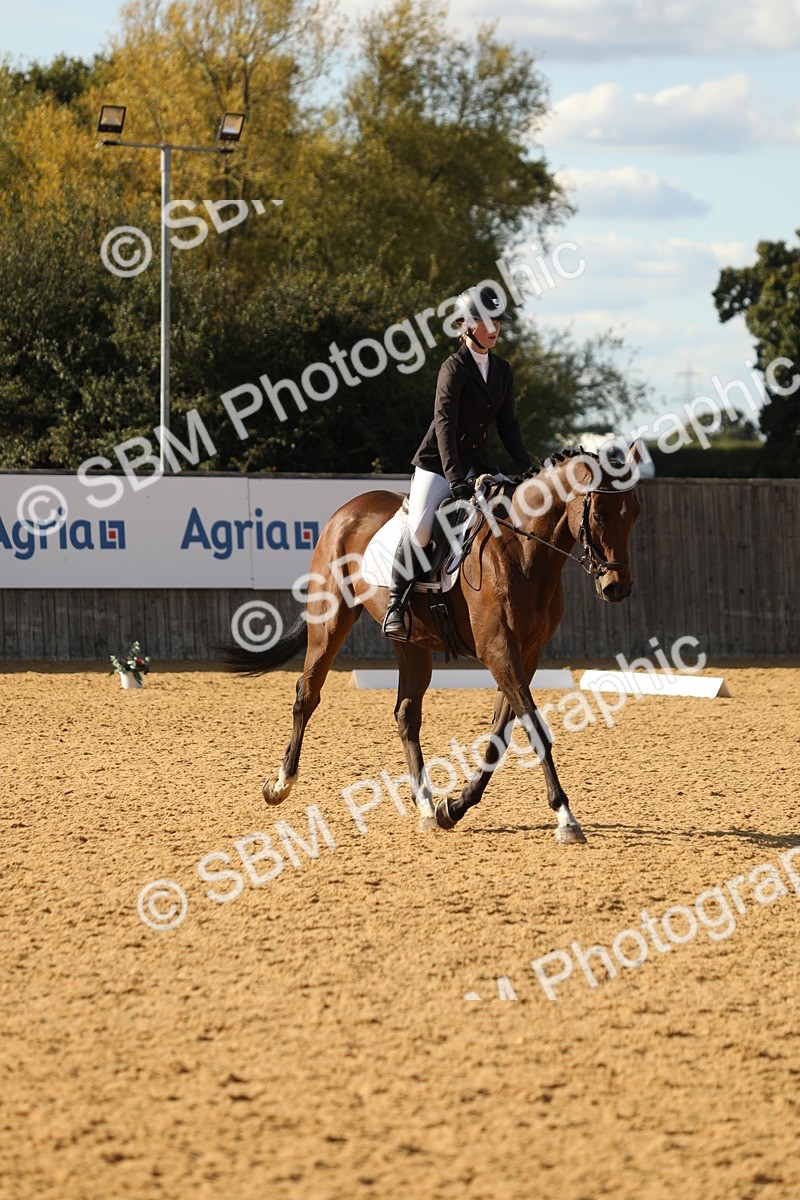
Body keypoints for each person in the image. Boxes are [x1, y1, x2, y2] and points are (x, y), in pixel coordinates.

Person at [382, 283, 535, 638]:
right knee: (420, 526)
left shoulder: (502, 370)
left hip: (479, 462)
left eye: (498, 320)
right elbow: (444, 426)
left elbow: (508, 426)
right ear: (467, 325)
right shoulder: (453, 368)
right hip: (438, 462)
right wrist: (454, 478)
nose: (495, 327)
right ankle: (395, 602)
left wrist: (528, 468)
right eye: (487, 320)